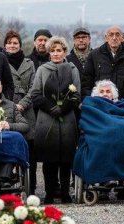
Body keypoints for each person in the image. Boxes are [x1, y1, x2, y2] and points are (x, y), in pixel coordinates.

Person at [31, 36, 81, 204]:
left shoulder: (72, 69)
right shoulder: (42, 70)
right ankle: (50, 192)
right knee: (49, 158)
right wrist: (51, 108)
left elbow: (76, 95)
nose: (56, 53)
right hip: (47, 119)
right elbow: (35, 94)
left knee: (66, 158)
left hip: (67, 118)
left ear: (65, 51)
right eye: (52, 51)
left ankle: (66, 192)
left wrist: (63, 108)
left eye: (59, 50)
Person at [73, 80, 124, 188]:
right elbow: (86, 122)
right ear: (96, 95)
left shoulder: (122, 105)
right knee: (103, 144)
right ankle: (105, 178)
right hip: (98, 136)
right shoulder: (91, 106)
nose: (105, 94)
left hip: (122, 137)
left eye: (108, 91)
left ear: (113, 94)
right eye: (101, 91)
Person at [3, 30, 37, 195]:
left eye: (15, 43)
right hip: (6, 109)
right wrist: (9, 106)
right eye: (9, 43)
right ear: (5, 45)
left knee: (29, 148)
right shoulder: (1, 62)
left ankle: (31, 188)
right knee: (8, 145)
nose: (12, 45)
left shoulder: (29, 64)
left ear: (20, 45)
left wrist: (23, 104)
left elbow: (34, 87)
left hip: (27, 111)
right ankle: (8, 182)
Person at [82, 25, 124, 109]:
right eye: (111, 35)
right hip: (99, 107)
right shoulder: (94, 55)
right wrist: (93, 102)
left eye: (117, 35)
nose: (114, 38)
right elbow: (86, 82)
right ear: (106, 38)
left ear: (122, 38)